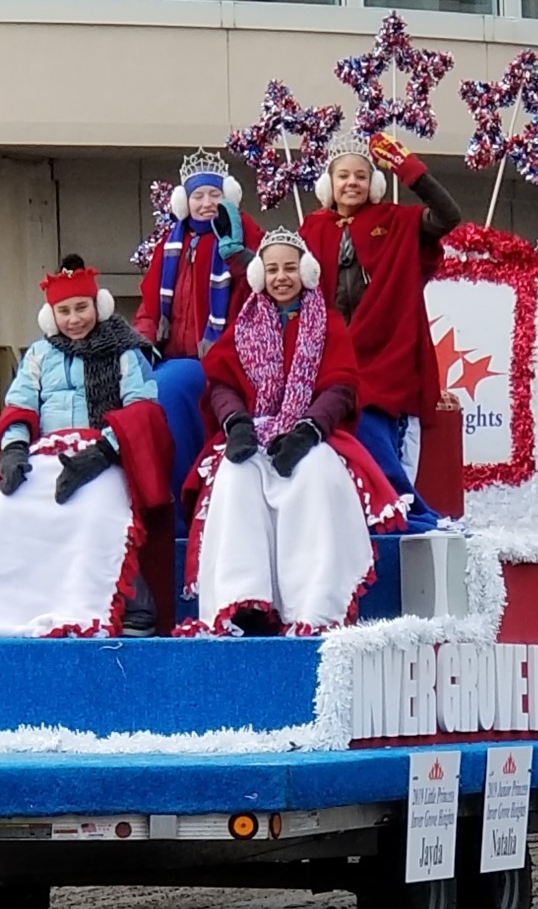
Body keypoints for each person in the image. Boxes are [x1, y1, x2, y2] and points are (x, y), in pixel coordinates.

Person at [180, 227, 410, 636]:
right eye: (272, 269)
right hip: (252, 432)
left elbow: (341, 386)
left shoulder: (329, 323)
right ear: (259, 275)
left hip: (310, 431)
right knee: (236, 478)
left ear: (305, 271)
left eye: (289, 268)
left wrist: (307, 431)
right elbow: (221, 384)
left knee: (316, 474)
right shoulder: (244, 323)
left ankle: (313, 602)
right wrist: (236, 426)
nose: (281, 277)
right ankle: (244, 599)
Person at [0, 258, 172, 637]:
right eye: (64, 311)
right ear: (51, 315)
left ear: (99, 306)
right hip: (47, 453)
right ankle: (27, 605)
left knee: (96, 509)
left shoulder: (126, 351)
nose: (74, 318)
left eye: (82, 307)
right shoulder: (38, 355)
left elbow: (143, 408)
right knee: (9, 506)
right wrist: (13, 449)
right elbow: (21, 403)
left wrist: (104, 452)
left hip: (106, 451)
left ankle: (129, 600)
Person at [301, 131, 461, 532]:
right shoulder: (312, 230)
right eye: (343, 176)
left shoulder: (395, 220)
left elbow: (448, 216)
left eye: (360, 175)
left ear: (372, 184)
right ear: (329, 184)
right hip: (329, 358)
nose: (351, 183)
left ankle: (403, 509)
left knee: (370, 428)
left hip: (385, 360)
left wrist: (410, 170)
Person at [133, 148, 263, 534]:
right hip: (175, 358)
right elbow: (149, 305)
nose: (206, 204)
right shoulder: (169, 244)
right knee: (147, 396)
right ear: (183, 202)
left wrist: (237, 253)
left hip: (227, 358)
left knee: (166, 392)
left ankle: (183, 512)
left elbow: (261, 286)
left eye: (214, 195)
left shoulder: (244, 233)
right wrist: (141, 345)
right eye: (197, 196)